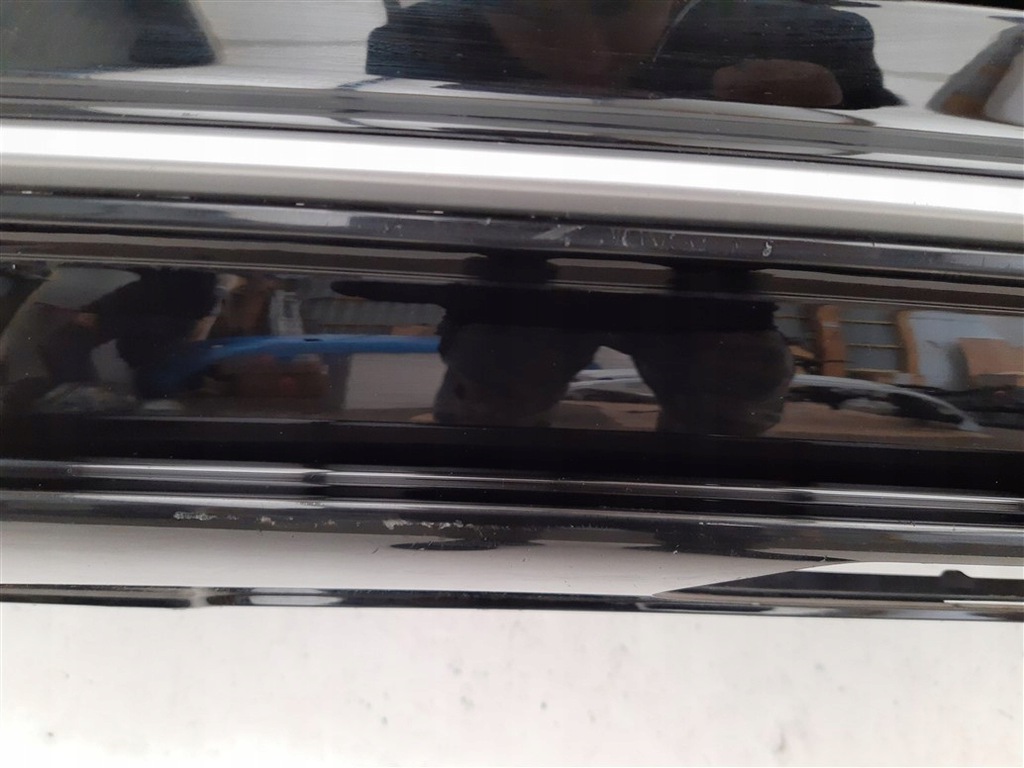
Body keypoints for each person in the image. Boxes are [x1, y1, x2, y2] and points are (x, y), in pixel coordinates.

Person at [366, 0, 900, 435]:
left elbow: (875, 210)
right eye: (532, 13)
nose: (586, 52)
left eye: (612, 7)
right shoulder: (420, 45)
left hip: (695, 295)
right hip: (539, 292)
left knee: (730, 399)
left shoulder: (808, 44)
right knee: (501, 389)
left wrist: (830, 132)